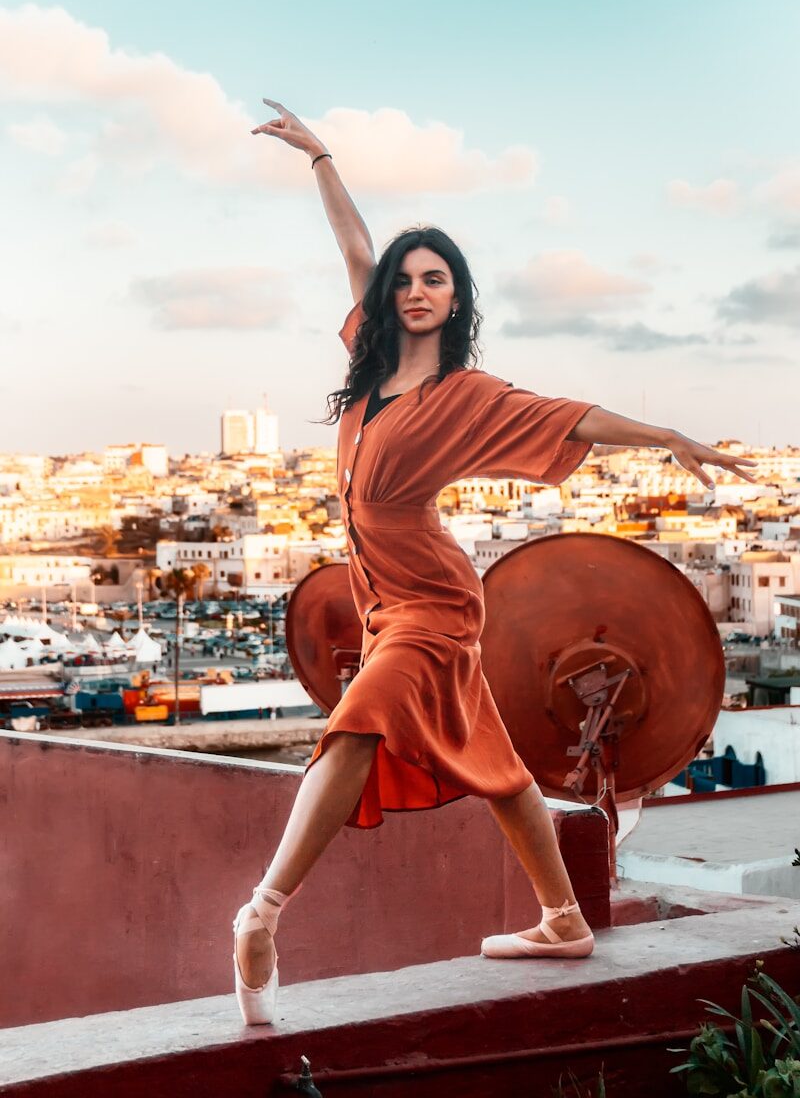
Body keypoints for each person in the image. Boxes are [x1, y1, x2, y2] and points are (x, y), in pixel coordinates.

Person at [232, 99, 758, 1025]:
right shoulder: (370, 364)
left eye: (435, 279)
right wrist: (321, 160)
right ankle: (563, 919)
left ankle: (264, 911)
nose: (414, 290)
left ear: (457, 297)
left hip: (435, 604)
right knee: (500, 764)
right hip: (384, 602)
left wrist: (665, 433)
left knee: (358, 722)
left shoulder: (463, 394)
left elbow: (571, 417)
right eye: (405, 279)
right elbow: (354, 247)